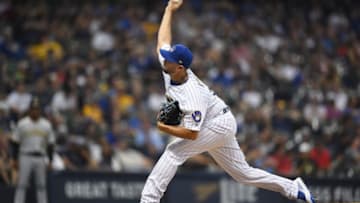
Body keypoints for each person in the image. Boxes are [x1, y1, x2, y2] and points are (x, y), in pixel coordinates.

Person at [139, 1, 316, 203]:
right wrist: (168, 10)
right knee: (242, 174)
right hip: (217, 120)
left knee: (174, 151)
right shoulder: (171, 69)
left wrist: (165, 127)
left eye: (169, 58)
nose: (164, 59)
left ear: (180, 67)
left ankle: (149, 200)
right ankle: (293, 187)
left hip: (217, 124)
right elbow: (162, 40)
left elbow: (192, 134)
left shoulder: (192, 94)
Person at [11, 97, 55, 203]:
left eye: (37, 109)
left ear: (40, 110)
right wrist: (14, 159)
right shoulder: (22, 124)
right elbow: (15, 142)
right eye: (33, 109)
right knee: (22, 184)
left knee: (41, 185)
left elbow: (50, 144)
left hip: (40, 157)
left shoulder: (46, 125)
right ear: (29, 110)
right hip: (25, 156)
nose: (35, 111)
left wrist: (50, 160)